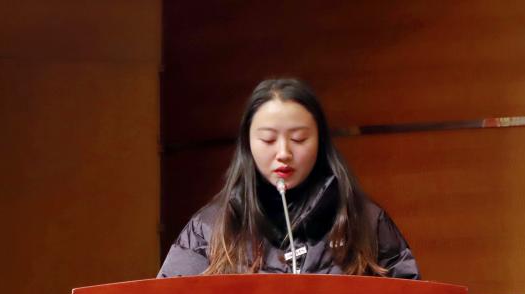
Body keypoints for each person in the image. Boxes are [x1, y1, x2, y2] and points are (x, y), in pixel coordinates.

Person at [158, 78, 419, 279]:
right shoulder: (208, 228)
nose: (283, 153)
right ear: (248, 144)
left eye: (299, 139)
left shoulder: (366, 222)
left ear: (320, 141)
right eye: (268, 139)